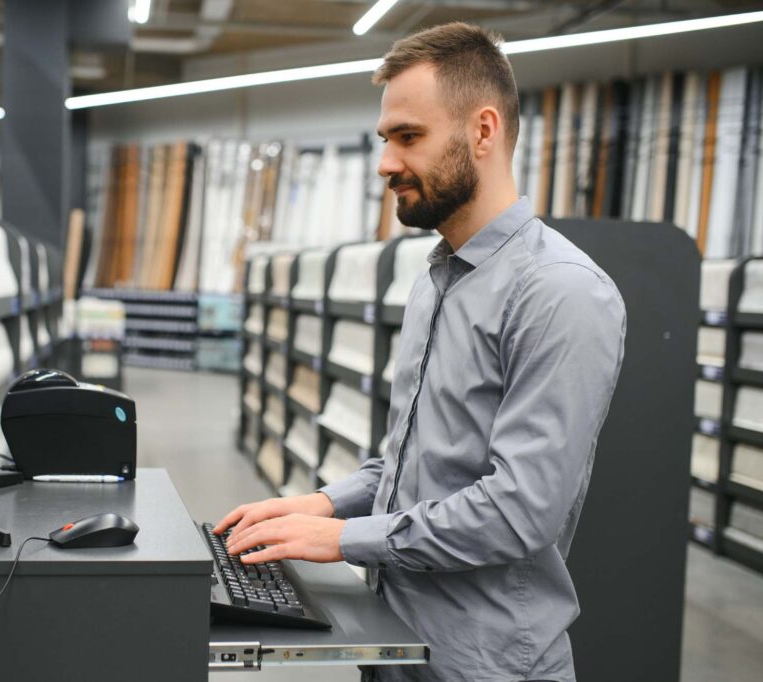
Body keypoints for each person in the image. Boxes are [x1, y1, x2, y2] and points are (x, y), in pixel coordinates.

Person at [215, 21, 627, 682]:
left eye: (409, 137)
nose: (385, 163)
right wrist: (321, 504)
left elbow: (518, 511)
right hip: (397, 643)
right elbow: (413, 461)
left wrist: (344, 540)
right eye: (385, 140)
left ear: (483, 131)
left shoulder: (561, 293)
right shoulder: (437, 280)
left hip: (486, 666)